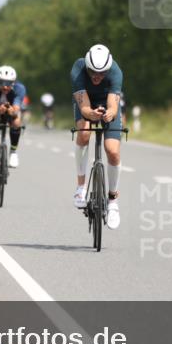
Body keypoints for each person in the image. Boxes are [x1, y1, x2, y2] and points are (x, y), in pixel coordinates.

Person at [71, 44, 124, 229]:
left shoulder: (116, 71)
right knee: (84, 134)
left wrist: (109, 113)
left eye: (102, 73)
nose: (97, 77)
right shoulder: (78, 70)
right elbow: (84, 106)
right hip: (86, 102)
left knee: (112, 151)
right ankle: (81, 187)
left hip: (106, 102)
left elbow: (113, 105)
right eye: (93, 71)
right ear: (87, 66)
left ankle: (113, 201)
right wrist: (90, 113)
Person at [0, 65, 26, 198]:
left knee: (17, 122)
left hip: (9, 112)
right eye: (2, 83)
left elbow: (16, 109)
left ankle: (13, 151)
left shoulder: (20, 88)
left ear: (14, 82)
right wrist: (0, 109)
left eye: (8, 84)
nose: (5, 87)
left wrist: (11, 110)